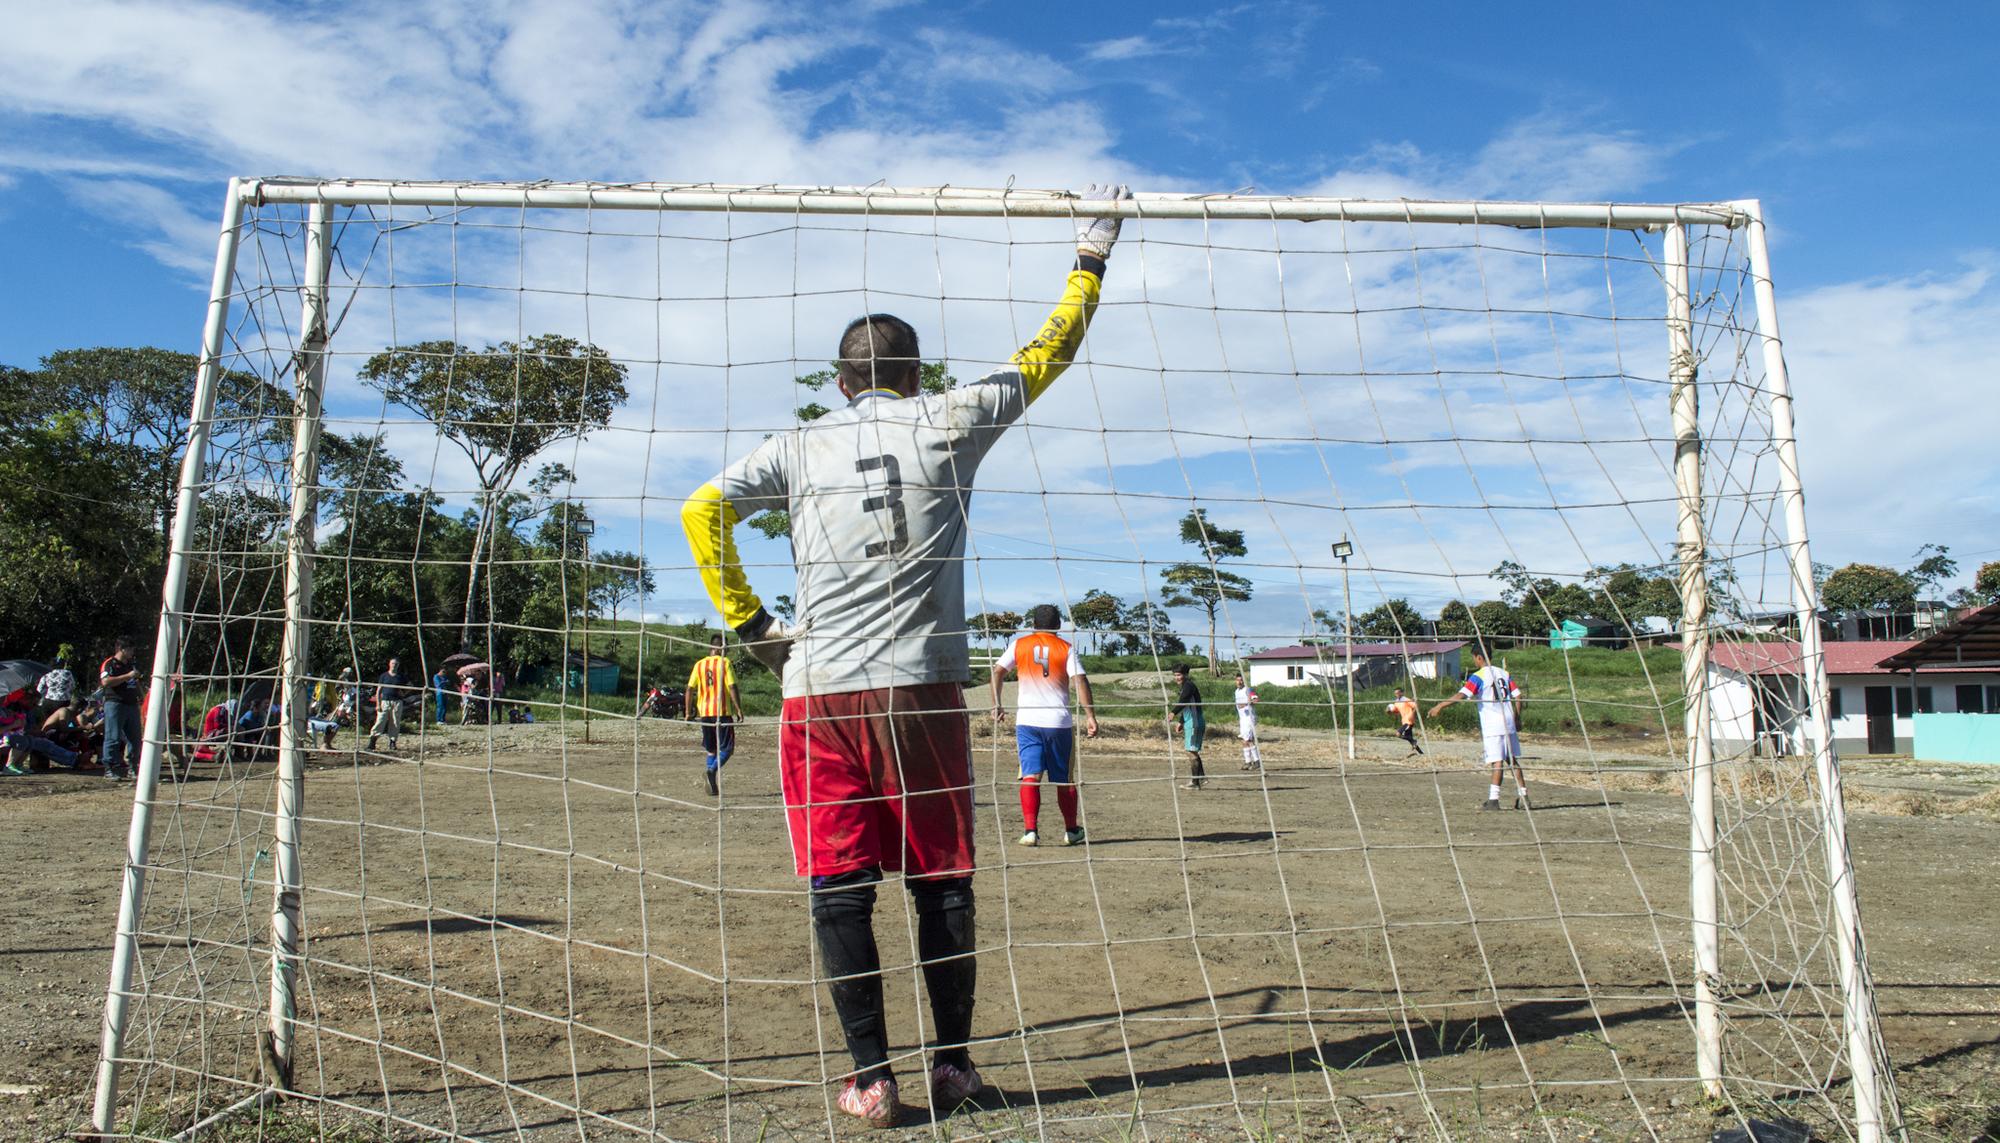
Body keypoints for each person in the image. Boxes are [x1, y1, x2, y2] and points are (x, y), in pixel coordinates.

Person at [679, 184, 1128, 1127]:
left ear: (842, 383)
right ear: (918, 377)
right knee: (942, 879)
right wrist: (1092, 249)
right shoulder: (953, 420)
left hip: (822, 692)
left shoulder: (798, 446)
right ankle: (955, 1067)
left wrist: (755, 624)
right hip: (924, 689)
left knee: (839, 887)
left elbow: (701, 507)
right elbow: (1051, 350)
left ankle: (872, 1078)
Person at [989, 604, 1098, 847]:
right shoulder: (1066, 648)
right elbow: (1080, 680)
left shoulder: (1019, 645)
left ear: (1033, 625)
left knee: (1031, 775)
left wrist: (996, 704)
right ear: (1059, 625)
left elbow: (997, 672)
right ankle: (1071, 830)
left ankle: (1030, 831)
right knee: (1064, 779)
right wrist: (1090, 715)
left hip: (1027, 722)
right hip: (1058, 723)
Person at [1429, 647, 1527, 810]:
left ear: (1479, 657)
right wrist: (1517, 717)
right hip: (1508, 722)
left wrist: (1440, 705)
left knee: (1497, 761)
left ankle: (1493, 800)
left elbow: (1462, 695)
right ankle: (1524, 797)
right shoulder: (1503, 673)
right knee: (1512, 760)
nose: (1474, 661)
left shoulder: (1479, 676)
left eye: (1474, 658)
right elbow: (1518, 695)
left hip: (1493, 724)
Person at [685, 634, 741, 796]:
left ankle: (712, 783)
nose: (727, 652)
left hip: (705, 714)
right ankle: (711, 771)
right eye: (726, 649)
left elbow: (689, 689)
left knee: (711, 750)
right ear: (718, 648)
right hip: (722, 712)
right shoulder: (725, 663)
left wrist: (688, 712)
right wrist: (738, 708)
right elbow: (732, 686)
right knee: (728, 749)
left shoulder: (699, 664)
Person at [98, 636, 142, 781]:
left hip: (131, 704)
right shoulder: (110, 664)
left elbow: (135, 681)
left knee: (135, 738)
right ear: (121, 649)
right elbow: (106, 681)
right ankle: (109, 768)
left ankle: (133, 766)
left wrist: (140, 694)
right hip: (115, 703)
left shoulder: (130, 664)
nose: (132, 652)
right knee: (113, 736)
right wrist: (127, 676)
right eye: (130, 649)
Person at [1170, 663, 1207, 790]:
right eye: (1175, 675)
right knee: (1192, 751)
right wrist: (1181, 721)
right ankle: (1201, 778)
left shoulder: (1189, 686)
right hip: (1190, 722)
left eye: (1179, 675)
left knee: (1191, 752)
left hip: (1195, 722)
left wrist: (1173, 712)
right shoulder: (1185, 687)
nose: (1177, 677)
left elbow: (1184, 700)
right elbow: (1187, 705)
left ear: (1186, 675)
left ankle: (1196, 783)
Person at [368, 657, 408, 752]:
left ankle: (392, 742)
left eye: (396, 664)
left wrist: (403, 693)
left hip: (397, 701)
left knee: (395, 722)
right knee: (380, 720)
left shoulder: (401, 676)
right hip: (385, 701)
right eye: (393, 663)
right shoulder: (384, 676)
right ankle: (372, 742)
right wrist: (378, 703)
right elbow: (379, 690)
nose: (394, 665)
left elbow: (410, 686)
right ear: (389, 664)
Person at [34, 656, 76, 726]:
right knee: (62, 724)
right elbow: (73, 687)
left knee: (48, 722)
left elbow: (39, 689)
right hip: (64, 702)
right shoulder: (68, 673)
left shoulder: (47, 674)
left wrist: (47, 692)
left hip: (49, 702)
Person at [1233, 674, 1261, 771]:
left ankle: (1257, 761)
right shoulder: (1236, 691)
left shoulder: (1248, 690)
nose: (1239, 682)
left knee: (1248, 740)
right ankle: (1248, 761)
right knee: (1244, 740)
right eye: (1237, 680)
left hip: (1249, 718)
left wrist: (1245, 704)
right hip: (1242, 719)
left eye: (1241, 680)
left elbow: (1256, 700)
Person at [1387, 687, 1424, 756]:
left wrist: (1412, 714)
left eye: (1398, 693)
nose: (1397, 694)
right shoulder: (1396, 702)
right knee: (1410, 740)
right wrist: (1390, 712)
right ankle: (1421, 753)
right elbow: (1397, 711)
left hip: (1409, 721)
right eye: (1395, 693)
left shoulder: (1406, 700)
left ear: (1402, 693)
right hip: (1404, 721)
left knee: (1398, 734)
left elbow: (1416, 706)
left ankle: (1414, 741)